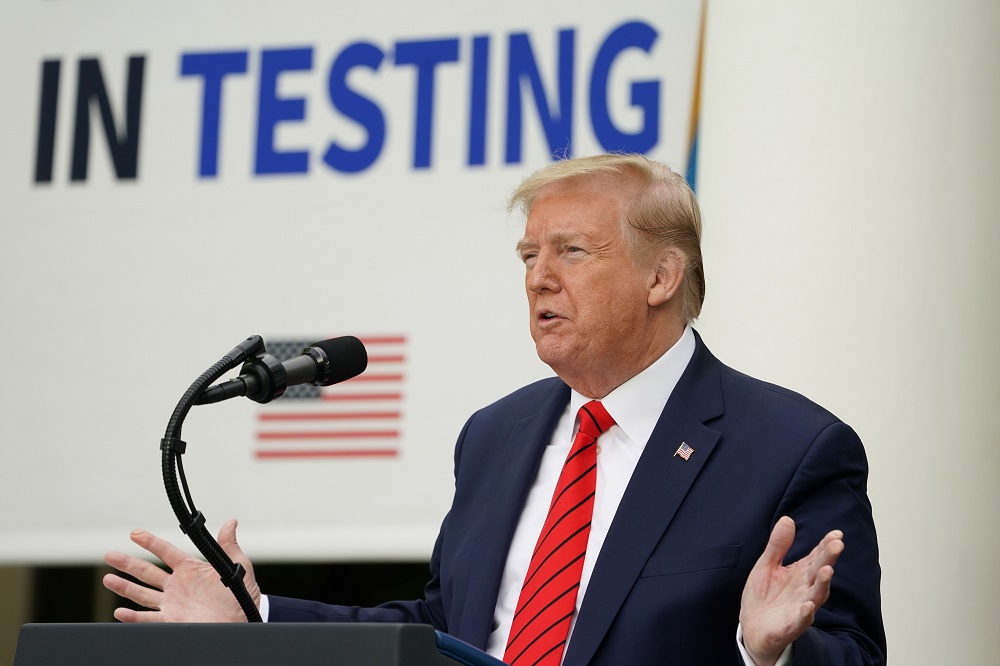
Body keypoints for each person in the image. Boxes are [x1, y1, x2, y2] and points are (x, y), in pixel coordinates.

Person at [104, 154, 886, 665]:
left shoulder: (791, 447)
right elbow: (444, 629)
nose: (538, 278)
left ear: (662, 276)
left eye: (571, 252)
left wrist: (768, 651)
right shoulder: (497, 435)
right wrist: (257, 614)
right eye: (527, 257)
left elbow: (850, 653)